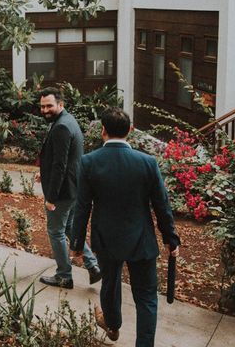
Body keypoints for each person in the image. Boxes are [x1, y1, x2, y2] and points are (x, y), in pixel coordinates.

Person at [70, 107, 181, 346]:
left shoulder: (89, 162)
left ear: (103, 131)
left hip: (106, 238)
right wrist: (171, 239)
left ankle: (113, 324)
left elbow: (82, 206)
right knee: (147, 297)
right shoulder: (147, 162)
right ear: (130, 131)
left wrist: (77, 243)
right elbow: (162, 205)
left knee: (110, 285)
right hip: (141, 239)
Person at [35, 87, 100, 289]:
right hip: (74, 188)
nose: (45, 110)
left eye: (49, 106)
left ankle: (64, 276)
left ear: (60, 105)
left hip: (63, 191)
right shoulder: (67, 120)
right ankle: (93, 266)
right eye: (42, 106)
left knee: (55, 231)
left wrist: (51, 197)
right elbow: (65, 159)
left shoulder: (62, 127)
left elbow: (60, 165)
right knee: (70, 227)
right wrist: (43, 173)